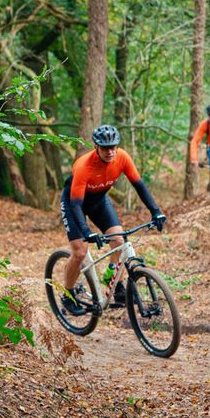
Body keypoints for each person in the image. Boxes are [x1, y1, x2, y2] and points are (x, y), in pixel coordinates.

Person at [59, 124, 167, 315]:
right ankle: (67, 294)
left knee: (118, 241)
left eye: (113, 147)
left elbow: (139, 186)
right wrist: (86, 232)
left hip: (99, 201)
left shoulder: (122, 157)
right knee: (80, 252)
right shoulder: (84, 165)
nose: (110, 152)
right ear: (96, 147)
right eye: (105, 148)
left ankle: (114, 284)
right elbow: (76, 205)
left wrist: (156, 211)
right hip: (74, 203)